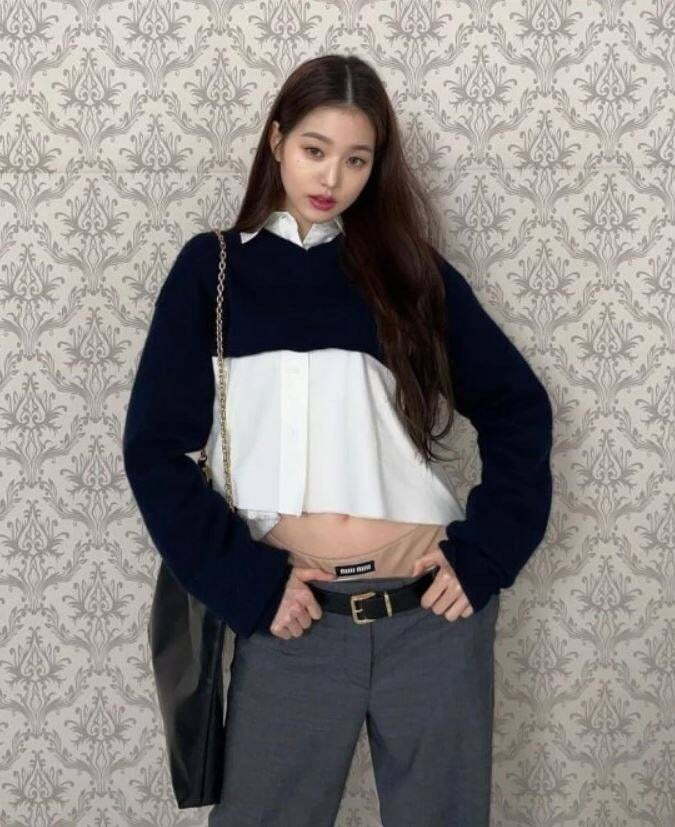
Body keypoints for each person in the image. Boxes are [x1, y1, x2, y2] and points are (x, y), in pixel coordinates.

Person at [123, 54, 553, 827]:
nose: (331, 177)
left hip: (431, 619)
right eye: (314, 149)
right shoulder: (211, 271)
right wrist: (247, 584)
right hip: (295, 618)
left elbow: (518, 408)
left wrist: (484, 554)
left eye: (356, 159)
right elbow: (153, 449)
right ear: (276, 140)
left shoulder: (409, 273)